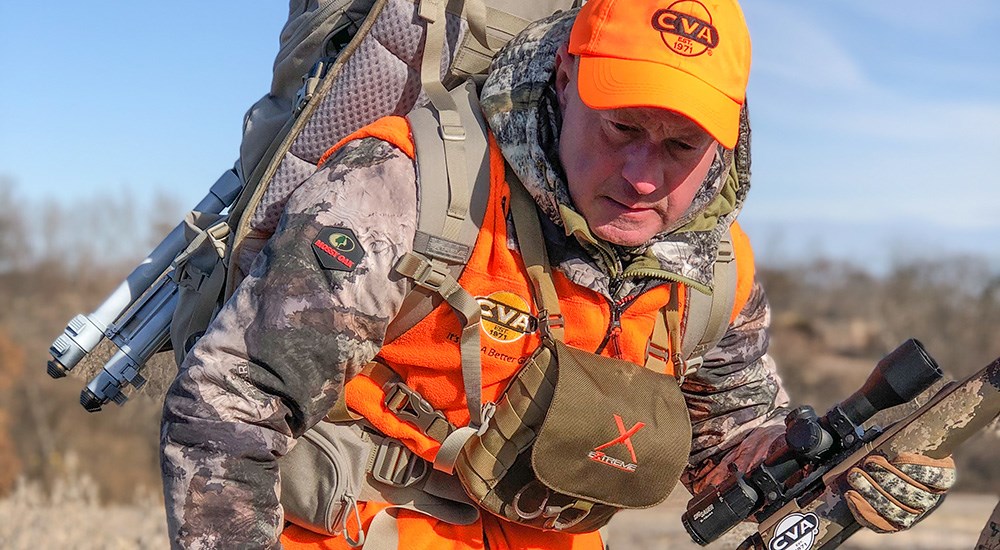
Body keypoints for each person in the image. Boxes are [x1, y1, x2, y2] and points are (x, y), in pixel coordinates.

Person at [160, 0, 955, 548]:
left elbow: (729, 447)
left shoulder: (716, 269)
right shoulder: (402, 190)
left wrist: (839, 472)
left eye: (681, 147)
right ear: (568, 81)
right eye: (623, 128)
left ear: (728, 137)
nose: (644, 175)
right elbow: (229, 406)